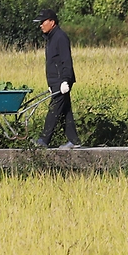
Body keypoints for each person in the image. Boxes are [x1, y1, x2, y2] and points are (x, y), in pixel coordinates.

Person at [32, 9, 82, 150]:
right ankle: (74, 140)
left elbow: (66, 60)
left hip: (62, 81)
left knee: (54, 110)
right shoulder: (51, 38)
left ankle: (43, 140)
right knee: (65, 111)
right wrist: (51, 84)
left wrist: (65, 80)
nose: (41, 25)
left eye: (43, 22)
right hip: (56, 82)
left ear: (52, 22)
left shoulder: (60, 37)